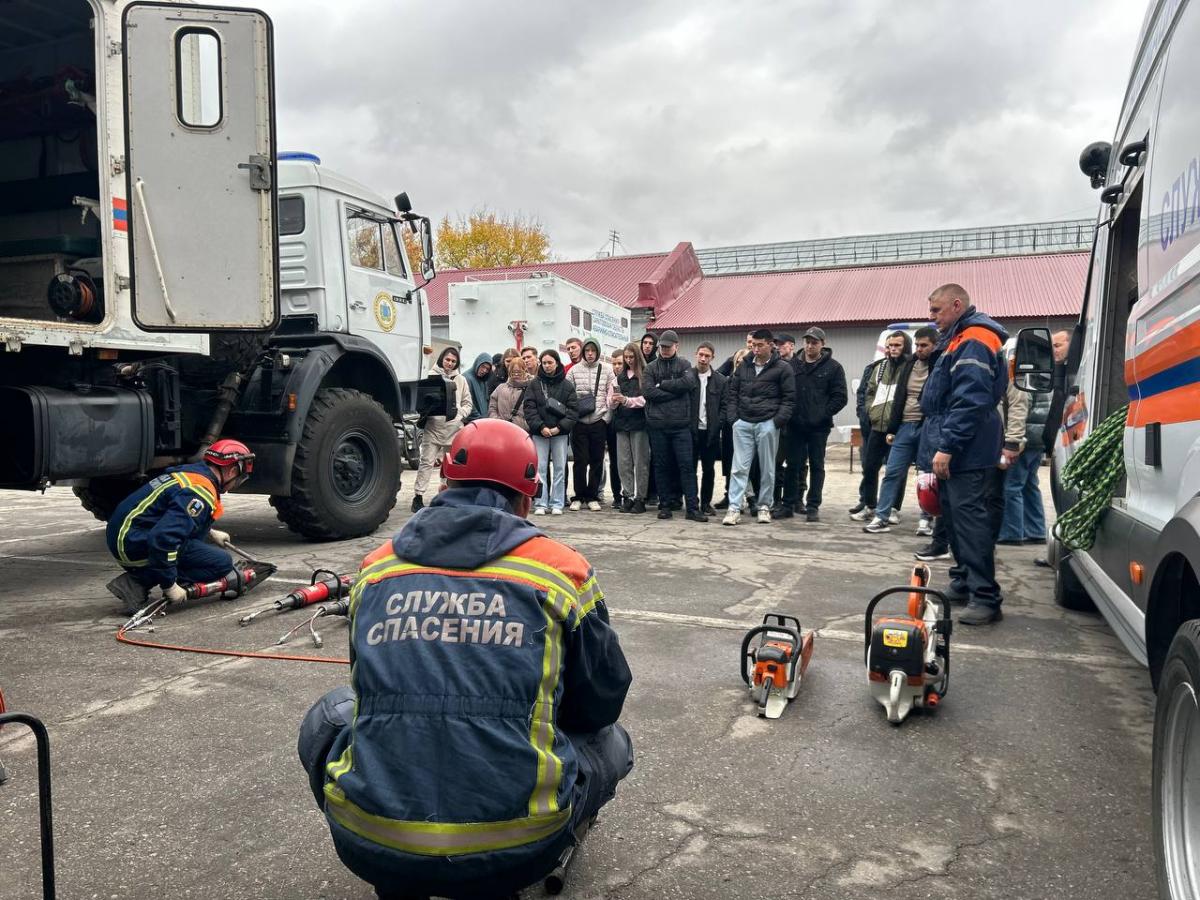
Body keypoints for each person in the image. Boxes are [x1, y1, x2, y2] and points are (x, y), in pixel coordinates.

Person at [298, 419, 633, 900]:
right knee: (611, 741)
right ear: (527, 496)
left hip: (368, 846)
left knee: (332, 712)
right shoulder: (563, 571)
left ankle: (396, 861)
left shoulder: (378, 568)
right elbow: (601, 704)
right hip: (519, 850)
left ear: (444, 479)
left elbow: (367, 686)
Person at [917, 283, 1008, 626]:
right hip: (958, 444)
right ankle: (963, 580)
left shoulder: (975, 338)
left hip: (968, 449)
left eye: (937, 311)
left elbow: (970, 400)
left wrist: (947, 446)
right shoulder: (957, 337)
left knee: (970, 522)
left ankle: (985, 597)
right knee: (953, 518)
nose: (932, 317)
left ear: (957, 305)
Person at [104, 439, 255, 614]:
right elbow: (163, 539)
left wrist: (210, 532)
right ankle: (137, 583)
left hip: (125, 535)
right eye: (240, 478)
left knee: (194, 543)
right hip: (131, 544)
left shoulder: (191, 474)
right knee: (221, 563)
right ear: (232, 471)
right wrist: (169, 585)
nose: (235, 485)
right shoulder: (200, 491)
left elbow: (172, 514)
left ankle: (142, 578)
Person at [863, 327, 938, 535]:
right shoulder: (910, 365)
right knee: (892, 471)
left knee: (926, 475)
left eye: (924, 345)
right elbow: (899, 398)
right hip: (904, 425)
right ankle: (881, 516)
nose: (920, 349)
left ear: (935, 345)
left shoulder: (940, 365)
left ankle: (926, 519)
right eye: (917, 345)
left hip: (927, 426)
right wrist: (892, 428)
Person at [722, 329, 796, 526]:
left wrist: (775, 423)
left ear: (770, 345)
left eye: (759, 345)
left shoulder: (783, 368)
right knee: (739, 468)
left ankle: (764, 506)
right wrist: (734, 420)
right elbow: (732, 394)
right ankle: (734, 508)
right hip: (743, 423)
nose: (754, 348)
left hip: (767, 424)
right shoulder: (743, 366)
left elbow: (789, 400)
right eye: (753, 345)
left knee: (767, 468)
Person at [778, 326, 847, 522]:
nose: (810, 346)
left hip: (819, 427)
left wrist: (822, 414)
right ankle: (788, 504)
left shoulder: (833, 368)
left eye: (814, 342)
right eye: (807, 342)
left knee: (817, 465)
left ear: (822, 344)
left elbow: (840, 397)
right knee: (792, 465)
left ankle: (813, 506)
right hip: (795, 425)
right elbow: (783, 392)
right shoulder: (791, 366)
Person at [643, 330, 706, 522]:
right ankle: (665, 506)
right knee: (661, 466)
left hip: (681, 426)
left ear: (676, 346)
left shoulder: (685, 364)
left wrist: (662, 385)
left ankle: (693, 508)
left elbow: (688, 383)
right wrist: (675, 391)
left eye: (668, 347)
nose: (664, 350)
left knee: (687, 467)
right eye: (662, 346)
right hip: (658, 425)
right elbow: (648, 392)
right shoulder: (650, 368)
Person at [852, 331, 912, 522]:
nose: (893, 349)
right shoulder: (878, 367)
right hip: (876, 427)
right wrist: (869, 413)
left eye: (897, 345)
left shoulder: (910, 368)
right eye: (890, 345)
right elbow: (868, 392)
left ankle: (893, 508)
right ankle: (870, 505)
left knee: (896, 470)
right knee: (869, 467)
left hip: (898, 428)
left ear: (906, 347)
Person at [412, 347, 472, 513]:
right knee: (426, 462)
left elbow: (468, 403)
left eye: (453, 361)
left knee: (452, 466)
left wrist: (459, 414)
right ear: (441, 359)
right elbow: (420, 400)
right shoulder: (429, 376)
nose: (450, 363)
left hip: (454, 428)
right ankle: (418, 496)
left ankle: (449, 495)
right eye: (447, 360)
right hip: (433, 427)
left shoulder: (461, 379)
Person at [524, 350, 578, 515]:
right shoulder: (535, 384)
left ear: (557, 363)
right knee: (540, 468)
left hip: (560, 433)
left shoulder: (567, 385)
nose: (547, 366)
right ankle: (540, 503)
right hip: (540, 433)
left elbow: (573, 411)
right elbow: (529, 408)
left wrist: (559, 428)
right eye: (544, 363)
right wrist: (541, 427)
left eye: (550, 362)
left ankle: (557, 503)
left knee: (560, 468)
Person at [567, 338, 615, 512]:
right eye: (587, 350)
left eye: (593, 351)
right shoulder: (573, 371)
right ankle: (578, 496)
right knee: (580, 461)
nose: (589, 354)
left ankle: (592, 496)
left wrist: (606, 418)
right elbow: (568, 397)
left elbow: (612, 395)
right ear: (583, 352)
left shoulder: (607, 371)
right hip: (579, 422)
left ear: (598, 352)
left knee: (597, 460)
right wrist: (572, 418)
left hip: (598, 421)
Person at [610, 342, 649, 514]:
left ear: (637, 357)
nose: (628, 360)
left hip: (639, 424)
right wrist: (613, 401)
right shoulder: (618, 378)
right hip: (621, 423)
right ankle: (628, 495)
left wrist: (627, 401)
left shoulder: (645, 376)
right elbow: (609, 402)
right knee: (623, 463)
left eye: (631, 357)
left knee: (641, 462)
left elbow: (645, 399)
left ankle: (640, 497)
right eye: (626, 357)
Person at [692, 342, 727, 516]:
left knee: (709, 469)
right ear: (695, 355)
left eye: (707, 356)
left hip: (711, 432)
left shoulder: (720, 380)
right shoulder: (688, 376)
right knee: (690, 469)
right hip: (691, 431)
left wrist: (718, 424)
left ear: (712, 358)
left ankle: (706, 503)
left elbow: (724, 406)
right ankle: (692, 502)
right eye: (701, 355)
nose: (703, 359)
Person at [488, 354, 533, 432]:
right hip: (502, 430)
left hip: (523, 432)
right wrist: (496, 421)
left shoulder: (532, 388)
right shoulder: (500, 388)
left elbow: (535, 410)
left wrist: (526, 425)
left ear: (524, 370)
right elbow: (492, 407)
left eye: (518, 372)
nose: (516, 374)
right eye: (513, 372)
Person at [606, 348, 625, 509]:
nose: (617, 367)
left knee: (628, 462)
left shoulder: (633, 379)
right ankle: (617, 495)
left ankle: (629, 493)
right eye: (614, 364)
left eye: (620, 363)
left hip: (631, 424)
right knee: (614, 462)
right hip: (614, 424)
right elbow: (608, 403)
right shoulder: (612, 381)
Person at [463, 353, 494, 425]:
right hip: (471, 423)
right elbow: (467, 403)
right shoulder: (466, 378)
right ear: (477, 363)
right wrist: (480, 419)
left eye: (487, 369)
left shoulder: (483, 380)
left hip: (482, 421)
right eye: (483, 366)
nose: (484, 370)